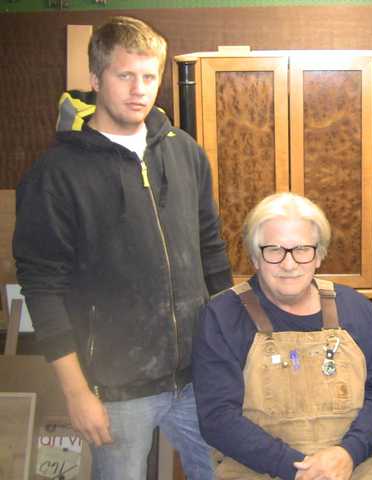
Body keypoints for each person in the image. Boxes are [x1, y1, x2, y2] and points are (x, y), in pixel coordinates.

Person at [13, 16, 232, 480]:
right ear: (96, 79)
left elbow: (211, 250)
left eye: (149, 76)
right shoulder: (56, 173)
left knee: (228, 474)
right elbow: (42, 287)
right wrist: (76, 392)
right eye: (124, 75)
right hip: (115, 387)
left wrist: (227, 347)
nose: (139, 89)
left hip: (198, 375)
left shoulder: (184, 151)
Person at [193, 192, 372, 480]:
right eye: (274, 250)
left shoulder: (354, 307)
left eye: (302, 249)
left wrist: (348, 453)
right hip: (255, 467)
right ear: (255, 257)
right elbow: (217, 417)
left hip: (351, 464)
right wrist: (301, 470)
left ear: (319, 255)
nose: (289, 264)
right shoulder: (223, 315)